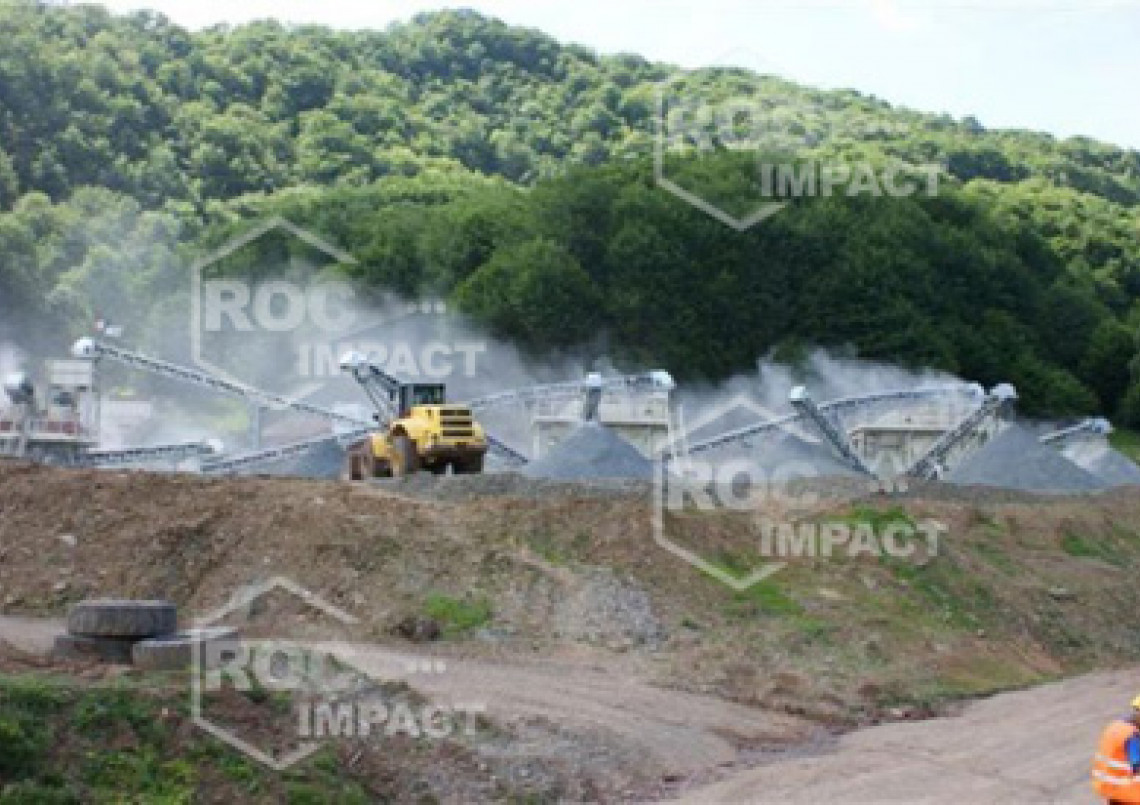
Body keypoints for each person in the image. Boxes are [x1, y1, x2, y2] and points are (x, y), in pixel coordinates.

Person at [1093, 696, 1140, 803]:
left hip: (1110, 788)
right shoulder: (1133, 737)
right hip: (1128, 791)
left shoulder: (1116, 726)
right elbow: (1137, 766)